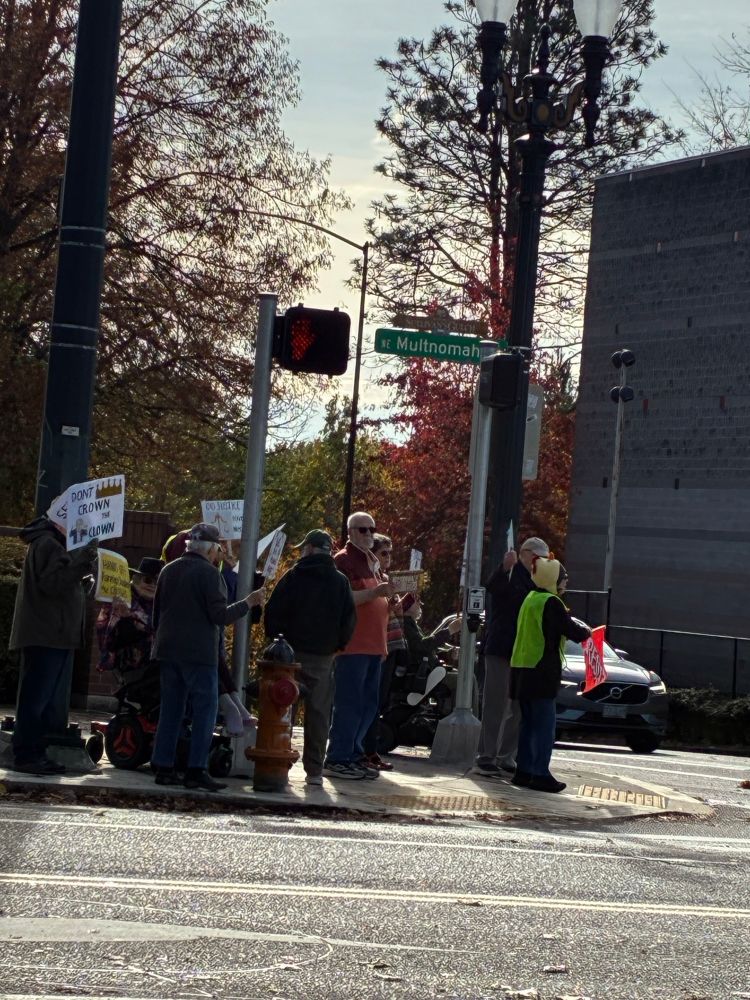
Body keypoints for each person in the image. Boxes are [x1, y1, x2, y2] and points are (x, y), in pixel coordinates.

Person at [150, 522, 264, 791]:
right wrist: (248, 602)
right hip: (199, 654)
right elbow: (220, 616)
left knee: (171, 709)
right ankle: (196, 769)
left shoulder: (168, 570)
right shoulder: (211, 575)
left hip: (167, 650)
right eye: (219, 548)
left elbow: (157, 613)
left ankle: (163, 765)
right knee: (205, 711)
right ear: (212, 548)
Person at [9, 495, 98, 774]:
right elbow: (53, 584)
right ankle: (26, 754)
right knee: (36, 698)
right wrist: (82, 562)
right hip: (47, 633)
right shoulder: (47, 544)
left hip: (51, 632)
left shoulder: (48, 543)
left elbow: (58, 584)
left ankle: (33, 752)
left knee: (39, 697)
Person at [263, 529, 356, 785]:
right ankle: (314, 771)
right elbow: (349, 619)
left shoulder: (293, 577)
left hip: (290, 656)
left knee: (284, 708)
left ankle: (278, 761)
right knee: (319, 714)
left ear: (311, 549)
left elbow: (273, 611)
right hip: (324, 656)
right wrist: (339, 644)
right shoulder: (340, 581)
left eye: (305, 547)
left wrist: (276, 641)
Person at [324, 511, 394, 780]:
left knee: (368, 705)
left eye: (371, 529)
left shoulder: (372, 561)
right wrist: (375, 593)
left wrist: (388, 600)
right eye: (362, 529)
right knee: (349, 703)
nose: (368, 534)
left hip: (374, 646)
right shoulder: (343, 560)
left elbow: (374, 600)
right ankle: (338, 757)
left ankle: (354, 754)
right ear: (350, 532)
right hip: (353, 644)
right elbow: (344, 599)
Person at [510, 558, 590, 793]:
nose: (565, 583)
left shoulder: (530, 598)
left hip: (521, 668)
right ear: (552, 579)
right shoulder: (551, 602)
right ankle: (540, 773)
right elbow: (572, 631)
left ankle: (523, 771)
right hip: (541, 670)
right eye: (563, 579)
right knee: (544, 725)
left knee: (528, 724)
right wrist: (587, 633)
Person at [475, 536, 550, 779]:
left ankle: (506, 756)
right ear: (525, 554)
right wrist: (505, 567)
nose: (541, 562)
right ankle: (486, 755)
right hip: (501, 647)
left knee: (517, 707)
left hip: (524, 652)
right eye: (537, 556)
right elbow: (493, 588)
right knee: (495, 703)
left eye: (545, 558)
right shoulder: (510, 574)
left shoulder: (539, 581)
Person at [361, 533, 406, 771]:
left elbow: (390, 613)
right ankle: (364, 750)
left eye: (390, 553)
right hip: (376, 643)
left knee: (378, 702)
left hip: (389, 644)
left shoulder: (386, 579)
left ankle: (370, 749)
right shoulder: (374, 580)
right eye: (383, 553)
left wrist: (399, 606)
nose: (388, 558)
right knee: (368, 699)